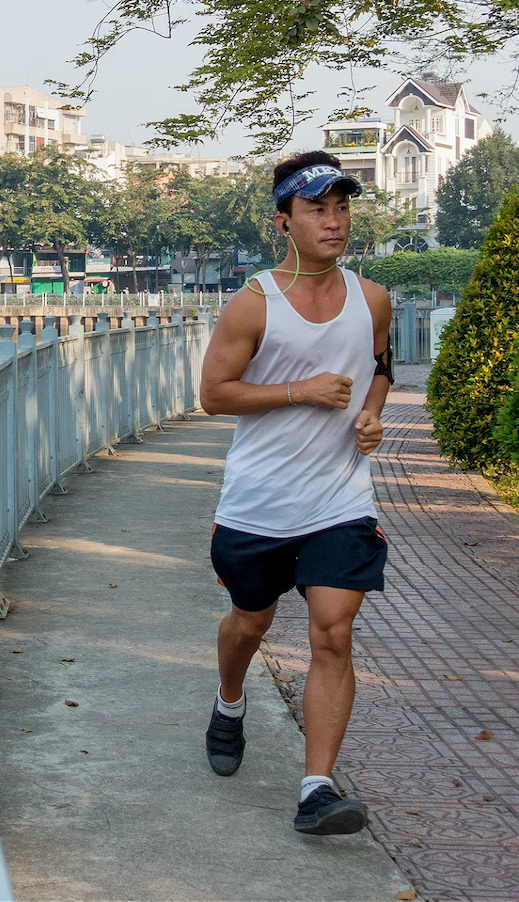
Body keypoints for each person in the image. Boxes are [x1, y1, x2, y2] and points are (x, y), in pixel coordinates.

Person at [197, 151, 392, 836]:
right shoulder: (254, 304)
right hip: (258, 504)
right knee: (250, 625)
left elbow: (379, 369)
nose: (334, 222)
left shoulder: (371, 299)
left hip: (340, 500)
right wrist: (298, 391)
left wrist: (371, 414)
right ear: (285, 221)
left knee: (333, 632)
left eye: (342, 208)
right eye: (317, 209)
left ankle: (316, 789)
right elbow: (213, 395)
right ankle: (228, 700)